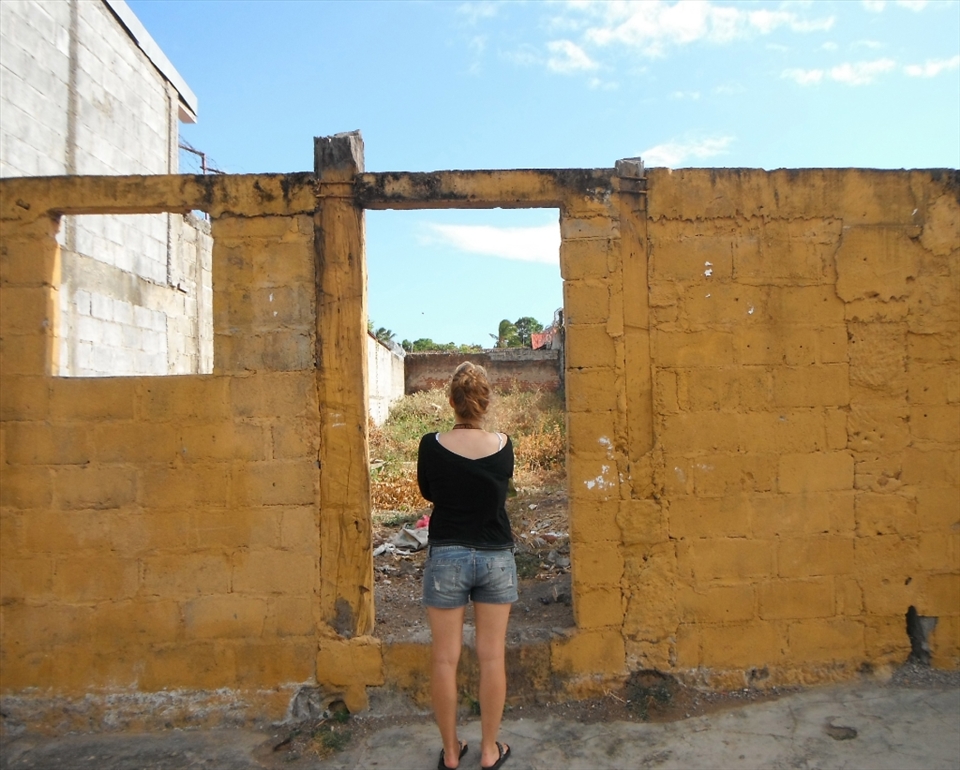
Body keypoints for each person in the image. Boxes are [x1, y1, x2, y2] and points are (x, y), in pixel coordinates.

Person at [417, 362, 515, 770]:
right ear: (485, 401)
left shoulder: (430, 444)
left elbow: (428, 491)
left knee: (445, 659)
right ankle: (490, 750)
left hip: (448, 558)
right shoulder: (504, 445)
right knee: (492, 657)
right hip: (495, 556)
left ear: (451, 401)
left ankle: (452, 753)